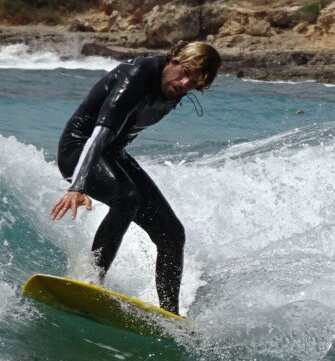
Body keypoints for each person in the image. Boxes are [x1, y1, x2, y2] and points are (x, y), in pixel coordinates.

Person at [50, 41, 222, 315]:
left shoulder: (176, 86)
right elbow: (99, 133)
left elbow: (115, 141)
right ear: (173, 59)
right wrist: (78, 185)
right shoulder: (138, 76)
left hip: (113, 153)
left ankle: (170, 315)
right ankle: (90, 278)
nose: (185, 83)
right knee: (127, 197)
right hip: (79, 149)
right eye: (185, 72)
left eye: (195, 81)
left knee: (172, 234)